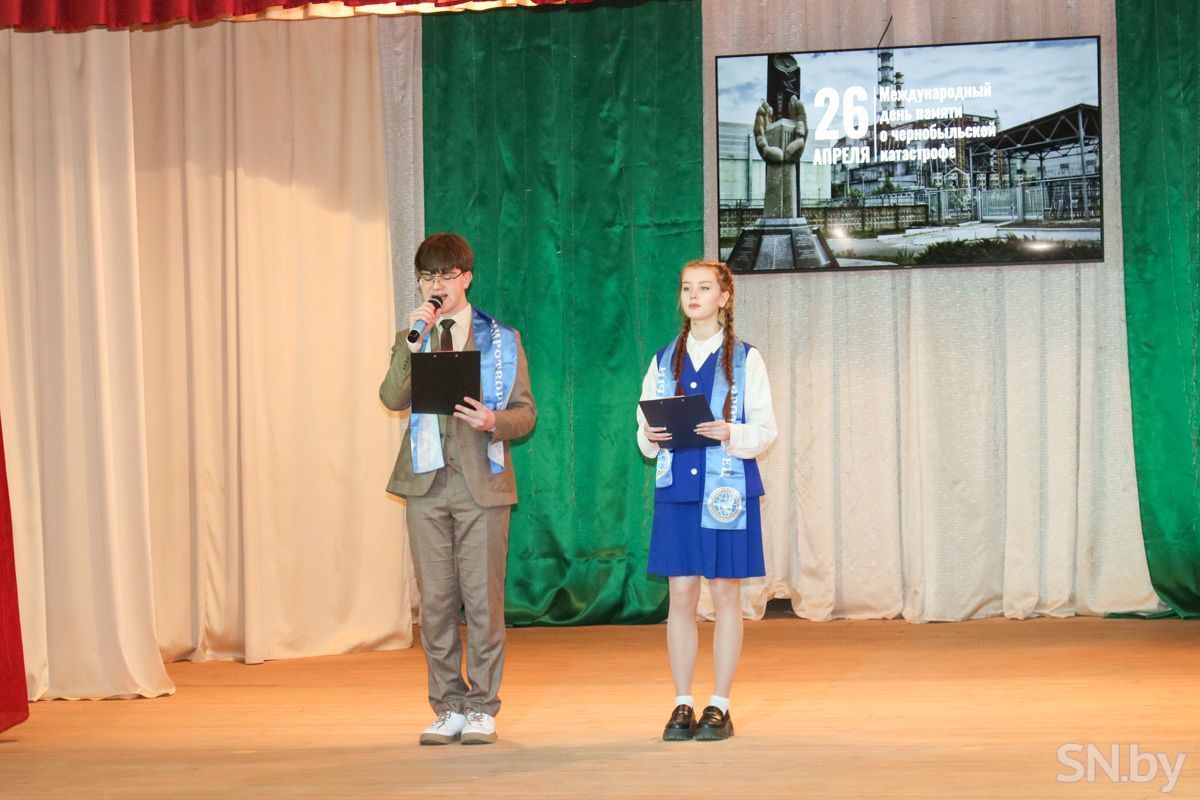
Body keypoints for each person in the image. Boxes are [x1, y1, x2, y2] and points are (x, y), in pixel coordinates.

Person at [380, 233, 536, 746]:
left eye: (446, 275)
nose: (436, 285)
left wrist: (494, 420)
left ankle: (483, 707)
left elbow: (526, 413)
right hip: (426, 485)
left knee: (483, 601)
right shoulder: (414, 335)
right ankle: (447, 706)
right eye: (427, 276)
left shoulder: (501, 339)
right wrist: (412, 344)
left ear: (465, 278)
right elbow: (391, 397)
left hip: (481, 486)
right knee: (437, 603)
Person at [635, 259, 777, 742]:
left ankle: (720, 703)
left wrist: (730, 432)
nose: (693, 296)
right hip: (679, 491)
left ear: (724, 298)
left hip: (727, 491)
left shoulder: (746, 358)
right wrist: (651, 436)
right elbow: (643, 431)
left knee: (726, 593)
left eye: (704, 288)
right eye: (686, 288)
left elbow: (766, 430)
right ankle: (681, 702)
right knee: (680, 595)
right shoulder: (663, 359)